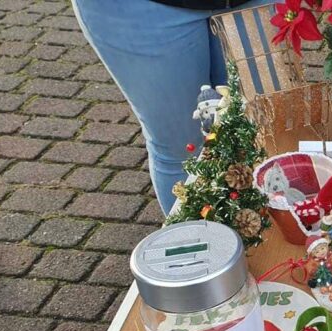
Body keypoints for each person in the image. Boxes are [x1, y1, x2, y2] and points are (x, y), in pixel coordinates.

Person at [72, 0, 274, 214]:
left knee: (262, 134)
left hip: (250, 2)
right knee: (184, 151)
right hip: (137, 10)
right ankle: (198, 234)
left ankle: (261, 231)